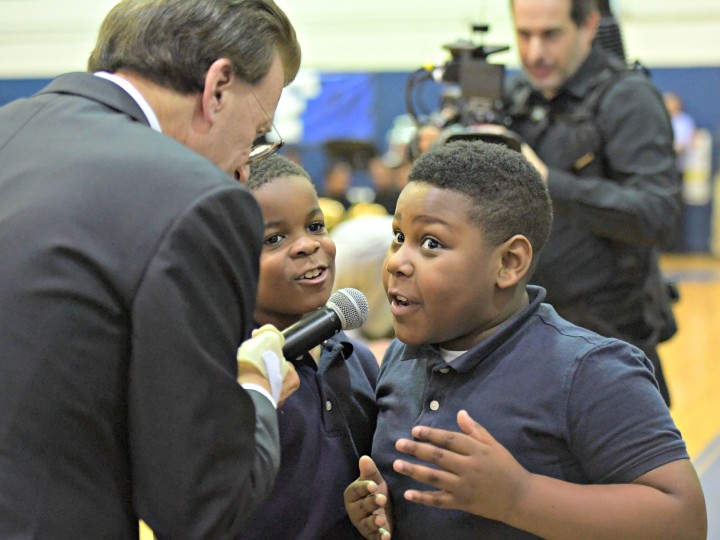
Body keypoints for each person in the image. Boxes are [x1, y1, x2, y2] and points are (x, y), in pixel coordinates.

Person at [0, 1, 302, 538]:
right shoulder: (196, 200)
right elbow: (201, 506)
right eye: (257, 130)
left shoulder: (11, 129)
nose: (244, 164)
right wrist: (258, 383)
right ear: (218, 88)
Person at [343, 140, 706, 539]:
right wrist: (385, 508)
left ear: (509, 263)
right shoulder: (401, 356)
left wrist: (520, 496)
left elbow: (684, 518)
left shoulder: (589, 369)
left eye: (431, 243)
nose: (396, 261)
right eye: (398, 237)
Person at [504, 0, 681, 406]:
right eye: (523, 35)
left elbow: (658, 214)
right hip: (526, 334)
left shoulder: (628, 98)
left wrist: (550, 183)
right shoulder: (517, 96)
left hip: (610, 342)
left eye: (550, 34)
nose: (534, 53)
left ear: (588, 26)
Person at [239, 155, 379, 540]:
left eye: (316, 226)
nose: (307, 245)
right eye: (273, 238)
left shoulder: (356, 359)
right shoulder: (233, 373)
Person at [663, 91, 697, 174]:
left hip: (679, 164)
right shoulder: (661, 119)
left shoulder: (685, 121)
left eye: (671, 102)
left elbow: (682, 144)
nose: (669, 104)